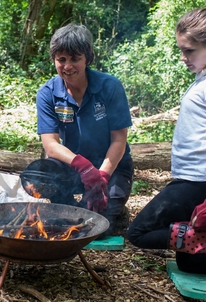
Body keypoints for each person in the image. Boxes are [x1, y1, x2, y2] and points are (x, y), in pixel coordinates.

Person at [126, 8, 206, 286]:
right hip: (196, 179)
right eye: (182, 50)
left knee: (138, 233)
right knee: (190, 259)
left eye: (190, 51)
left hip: (201, 182)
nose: (184, 58)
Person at [35, 23, 134, 237]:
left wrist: (101, 177)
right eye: (61, 59)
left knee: (99, 225)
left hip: (112, 167)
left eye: (74, 59)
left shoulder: (110, 87)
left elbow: (119, 139)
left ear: (87, 59)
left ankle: (117, 211)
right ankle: (69, 207)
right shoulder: (47, 93)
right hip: (74, 166)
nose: (67, 66)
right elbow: (50, 145)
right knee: (64, 221)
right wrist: (84, 167)